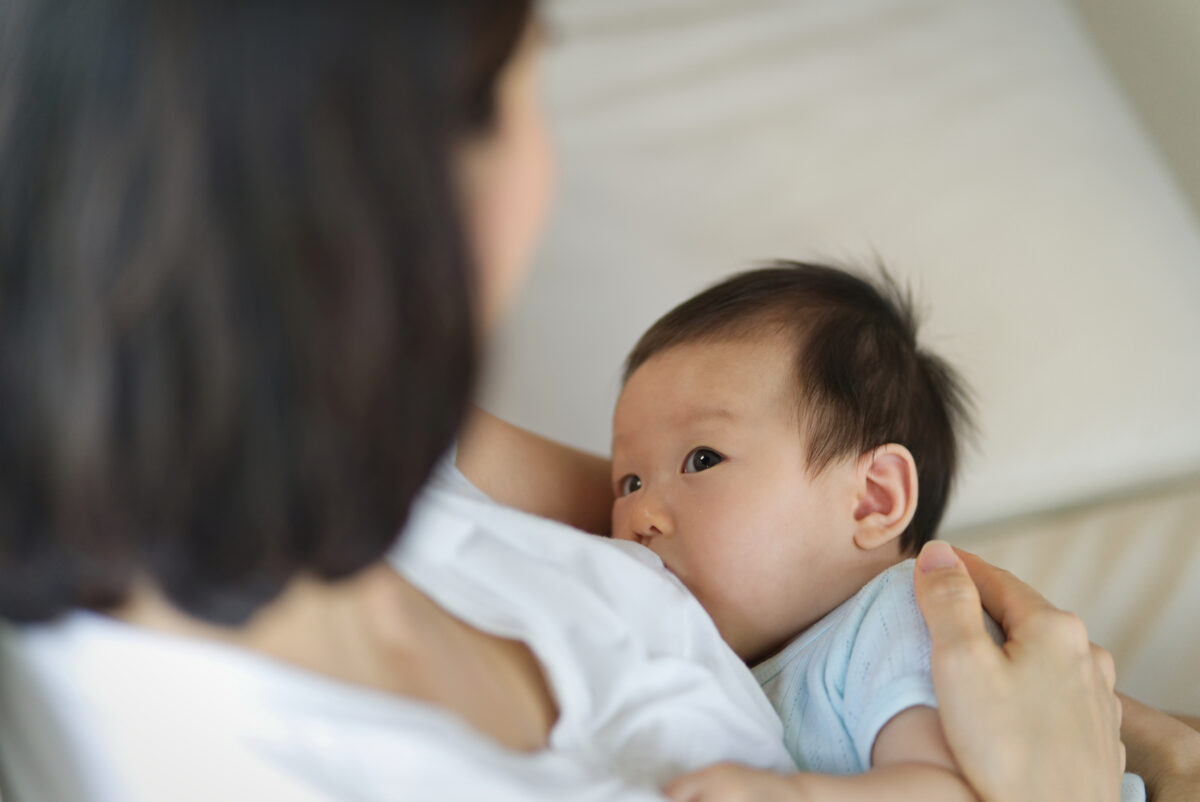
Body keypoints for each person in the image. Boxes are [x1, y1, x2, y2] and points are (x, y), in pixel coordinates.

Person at [0, 2, 1194, 801]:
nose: (638, 510)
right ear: (397, 189)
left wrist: (1136, 739)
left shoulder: (376, 455)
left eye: (689, 469)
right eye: (529, 85)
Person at [603, 263, 1140, 800]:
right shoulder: (724, 661)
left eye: (701, 459)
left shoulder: (897, 617)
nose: (640, 515)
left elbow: (956, 789)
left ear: (873, 500)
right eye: (629, 481)